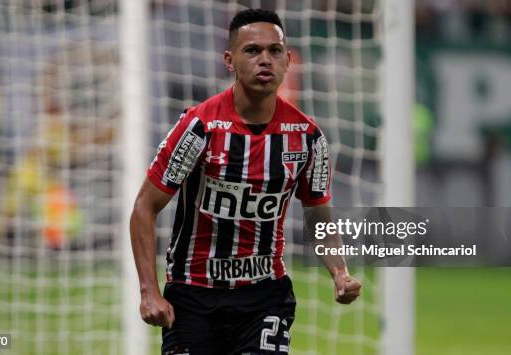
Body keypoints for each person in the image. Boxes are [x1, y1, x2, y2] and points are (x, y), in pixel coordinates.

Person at [130, 9, 361, 354]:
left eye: (275, 51)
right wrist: (149, 290)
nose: (264, 60)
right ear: (230, 60)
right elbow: (144, 208)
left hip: (263, 295)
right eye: (252, 51)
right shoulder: (199, 128)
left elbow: (317, 215)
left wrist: (340, 272)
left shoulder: (307, 136)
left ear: (287, 61)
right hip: (194, 294)